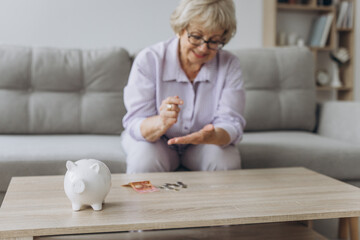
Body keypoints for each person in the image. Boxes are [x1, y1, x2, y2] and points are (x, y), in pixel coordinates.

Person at [122, 0, 246, 173]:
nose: (203, 48)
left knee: (225, 161)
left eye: (214, 41)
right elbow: (135, 121)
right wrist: (161, 122)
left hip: (202, 145)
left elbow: (231, 122)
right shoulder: (149, 59)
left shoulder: (229, 64)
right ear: (180, 29)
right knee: (144, 160)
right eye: (196, 36)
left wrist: (213, 135)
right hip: (156, 141)